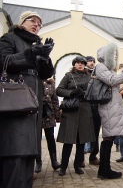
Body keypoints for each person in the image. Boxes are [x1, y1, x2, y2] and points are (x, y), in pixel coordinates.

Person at [0, 11, 54, 187]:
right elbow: (3, 60)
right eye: (33, 21)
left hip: (33, 103)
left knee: (30, 152)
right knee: (15, 151)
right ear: (22, 22)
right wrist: (31, 54)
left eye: (39, 24)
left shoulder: (35, 44)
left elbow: (45, 74)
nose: (37, 25)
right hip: (15, 102)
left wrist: (45, 58)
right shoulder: (9, 38)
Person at [95, 42, 123, 179]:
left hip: (112, 105)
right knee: (108, 136)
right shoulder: (101, 67)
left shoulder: (108, 69)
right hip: (108, 106)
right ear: (105, 55)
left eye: (116, 54)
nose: (115, 56)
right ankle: (104, 170)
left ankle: (104, 169)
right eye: (112, 54)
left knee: (110, 136)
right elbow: (112, 80)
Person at [56, 56, 95, 176]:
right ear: (74, 64)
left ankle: (78, 165)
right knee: (68, 141)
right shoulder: (68, 76)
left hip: (84, 109)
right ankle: (63, 167)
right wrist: (72, 92)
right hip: (71, 110)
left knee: (81, 141)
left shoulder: (89, 77)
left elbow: (93, 92)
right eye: (78, 63)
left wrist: (86, 94)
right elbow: (59, 90)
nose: (80, 65)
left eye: (82, 63)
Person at [35, 78, 61, 173]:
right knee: (37, 138)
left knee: (50, 138)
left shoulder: (50, 84)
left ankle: (54, 161)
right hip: (37, 114)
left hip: (49, 115)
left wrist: (57, 115)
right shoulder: (35, 82)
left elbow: (55, 100)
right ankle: (38, 162)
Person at [85, 55, 102, 166]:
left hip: (96, 106)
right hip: (85, 106)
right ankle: (80, 158)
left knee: (95, 133)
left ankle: (93, 156)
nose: (92, 62)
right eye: (89, 61)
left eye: (93, 61)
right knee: (83, 132)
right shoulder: (83, 74)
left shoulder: (97, 73)